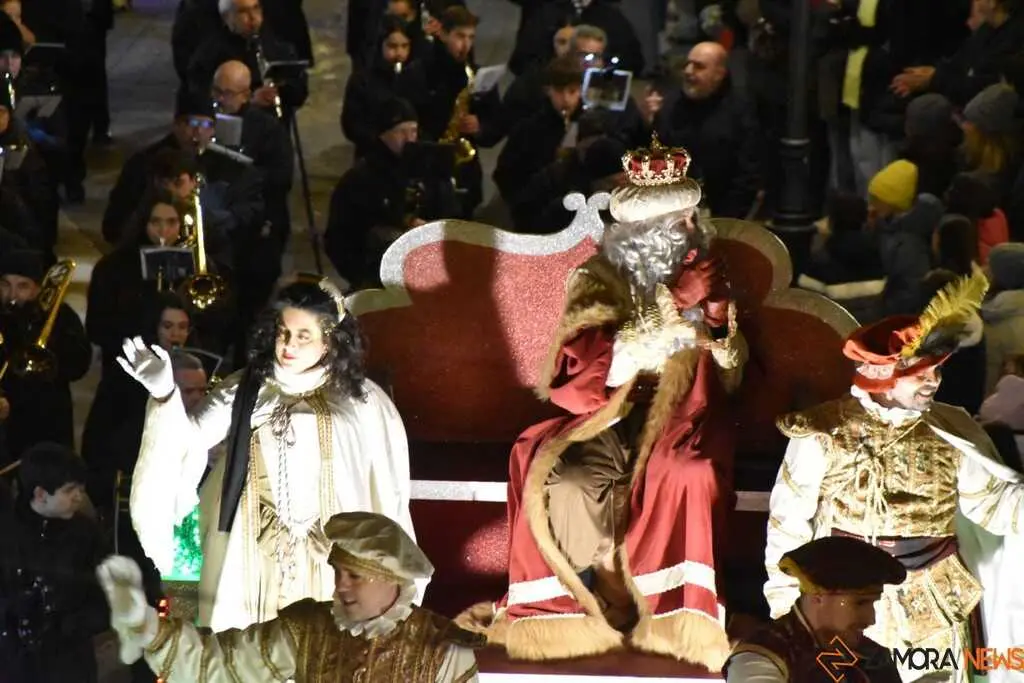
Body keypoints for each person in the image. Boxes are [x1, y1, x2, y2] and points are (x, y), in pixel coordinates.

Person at [459, 136, 747, 670]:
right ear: (640, 230)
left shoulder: (708, 267)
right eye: (676, 221)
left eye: (691, 217)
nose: (689, 230)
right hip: (605, 414)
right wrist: (672, 304)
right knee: (566, 481)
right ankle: (585, 607)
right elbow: (581, 374)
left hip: (683, 414)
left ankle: (667, 618)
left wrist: (718, 320)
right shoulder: (597, 278)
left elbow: (731, 374)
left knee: (689, 473)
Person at [765, 271, 1024, 683]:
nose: (934, 380)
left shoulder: (952, 428)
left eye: (937, 370)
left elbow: (993, 506)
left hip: (933, 603)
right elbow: (788, 521)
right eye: (922, 373)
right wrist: (786, 602)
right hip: (843, 606)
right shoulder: (823, 430)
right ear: (885, 376)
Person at [120, 275, 418, 632]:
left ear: (330, 341)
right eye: (283, 332)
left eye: (303, 335)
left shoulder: (362, 401)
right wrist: (165, 395)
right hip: (248, 554)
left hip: (334, 554)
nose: (288, 345)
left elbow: (387, 488)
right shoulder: (249, 388)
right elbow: (188, 442)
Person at [97, 511, 484, 683]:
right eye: (337, 573)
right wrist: (146, 626)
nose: (340, 586)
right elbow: (218, 665)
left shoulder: (443, 650)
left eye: (355, 576)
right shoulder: (306, 629)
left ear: (392, 582)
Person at [725, 537, 905, 683]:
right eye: (859, 603)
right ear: (818, 597)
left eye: (872, 603)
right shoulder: (762, 656)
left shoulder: (873, 658)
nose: (870, 619)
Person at [0, 443, 109, 683]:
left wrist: (67, 625)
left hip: (69, 664)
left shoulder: (86, 535)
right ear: (40, 494)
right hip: (13, 664)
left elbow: (106, 598)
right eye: (70, 490)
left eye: (81, 488)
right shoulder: (7, 534)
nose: (79, 497)